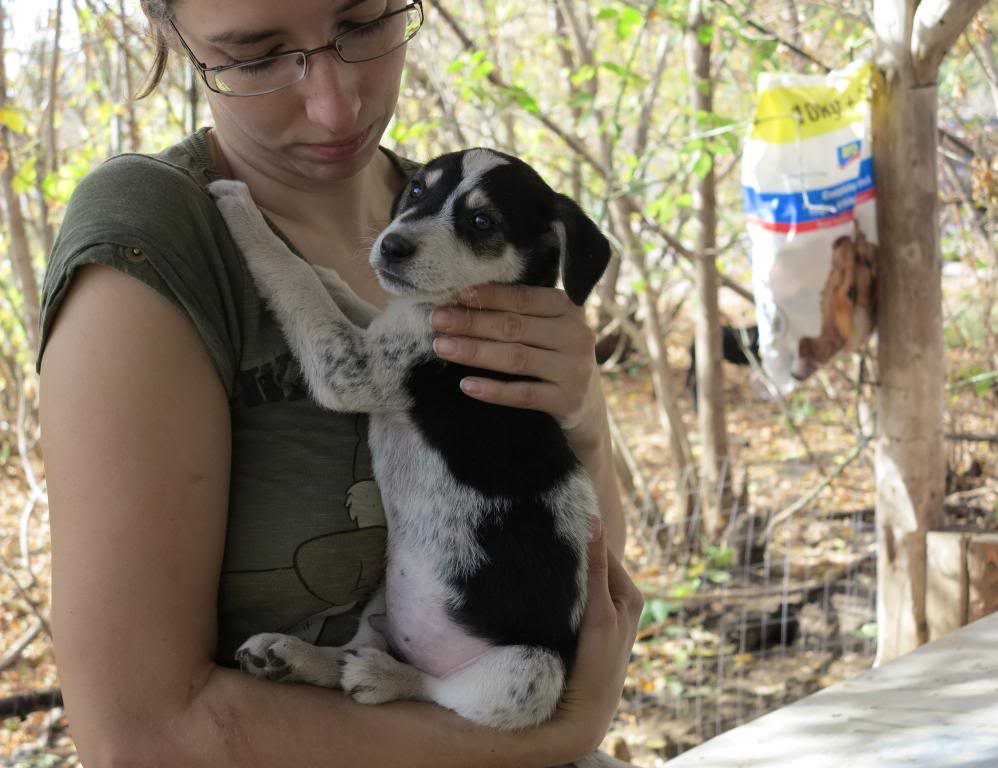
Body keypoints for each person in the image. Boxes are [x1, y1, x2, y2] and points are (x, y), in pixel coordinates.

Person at [36, 1, 644, 766]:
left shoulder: (447, 209)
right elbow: (139, 738)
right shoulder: (155, 231)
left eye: (363, 24)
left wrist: (581, 414)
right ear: (169, 33)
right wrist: (553, 735)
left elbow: (584, 589)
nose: (336, 107)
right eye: (255, 55)